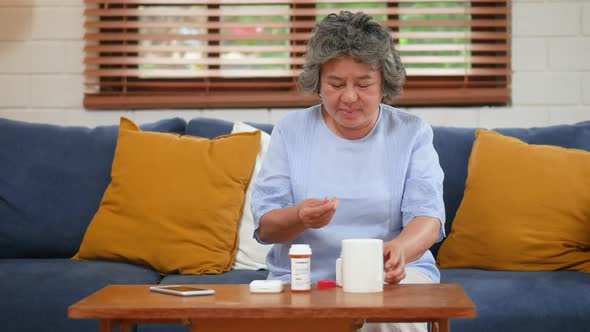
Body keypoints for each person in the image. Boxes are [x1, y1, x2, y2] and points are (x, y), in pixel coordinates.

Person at [250, 11, 445, 332]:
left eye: (364, 83)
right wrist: (299, 217)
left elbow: (427, 217)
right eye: (336, 84)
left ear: (384, 84)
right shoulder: (290, 131)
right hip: (304, 275)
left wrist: (400, 250)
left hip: (392, 274)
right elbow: (267, 227)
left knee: (386, 320)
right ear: (319, 83)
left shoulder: (412, 133)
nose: (349, 97)